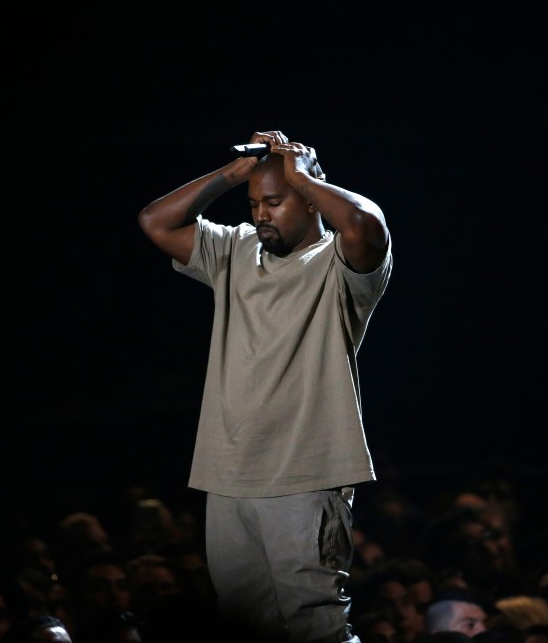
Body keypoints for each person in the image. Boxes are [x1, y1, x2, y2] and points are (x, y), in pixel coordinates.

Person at [137, 129, 393, 642]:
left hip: (305, 474)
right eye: (254, 202)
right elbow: (155, 221)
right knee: (245, 624)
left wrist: (302, 173)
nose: (260, 214)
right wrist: (234, 173)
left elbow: (367, 225)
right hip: (228, 473)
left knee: (317, 626)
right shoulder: (235, 250)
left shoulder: (337, 263)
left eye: (274, 201)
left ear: (310, 198)